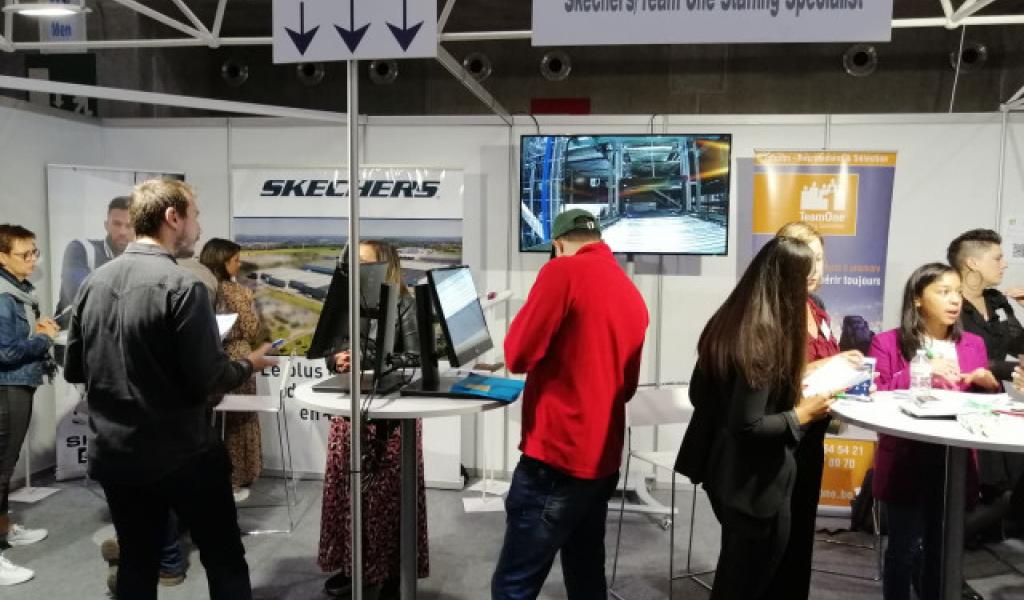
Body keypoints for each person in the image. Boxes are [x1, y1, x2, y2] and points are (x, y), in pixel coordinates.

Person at [64, 178, 276, 600]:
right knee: (223, 558)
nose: (199, 227)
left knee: (137, 562)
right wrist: (248, 364)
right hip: (184, 453)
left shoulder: (93, 283)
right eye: (195, 215)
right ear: (172, 217)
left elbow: (74, 368)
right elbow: (210, 378)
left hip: (117, 454)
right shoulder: (184, 286)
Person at [491, 209, 649, 599]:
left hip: (555, 458)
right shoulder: (630, 291)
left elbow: (517, 355)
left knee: (515, 582)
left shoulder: (561, 272)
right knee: (585, 572)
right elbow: (627, 387)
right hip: (602, 459)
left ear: (557, 244)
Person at [675, 236, 837, 600]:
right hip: (754, 480)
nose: (812, 283)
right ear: (788, 282)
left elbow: (700, 394)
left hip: (726, 470)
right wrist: (802, 414)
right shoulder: (763, 337)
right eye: (806, 275)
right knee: (748, 579)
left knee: (739, 572)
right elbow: (748, 424)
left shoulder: (731, 318)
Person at [869, 263, 1000, 600]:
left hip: (954, 462)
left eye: (957, 292)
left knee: (943, 551)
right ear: (917, 298)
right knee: (902, 549)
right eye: (943, 292)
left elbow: (983, 409)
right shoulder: (887, 342)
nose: (954, 300)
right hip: (905, 458)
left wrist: (989, 385)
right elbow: (874, 393)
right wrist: (919, 371)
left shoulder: (973, 344)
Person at [765, 221, 864, 599]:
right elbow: (766, 378)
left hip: (813, 433)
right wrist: (825, 366)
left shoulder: (816, 306)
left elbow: (821, 363)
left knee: (801, 531)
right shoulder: (770, 310)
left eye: (819, 259)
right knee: (774, 538)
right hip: (779, 434)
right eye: (806, 258)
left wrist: (847, 370)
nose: (814, 269)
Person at [320, 240, 423, 599]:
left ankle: (392, 574)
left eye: (364, 262)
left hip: (391, 418)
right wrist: (337, 360)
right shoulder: (347, 304)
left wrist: (375, 361)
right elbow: (329, 351)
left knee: (388, 500)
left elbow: (415, 357)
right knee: (348, 495)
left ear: (383, 265)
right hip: (350, 414)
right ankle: (353, 567)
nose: (357, 269)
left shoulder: (405, 303)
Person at [948, 228, 1024, 537]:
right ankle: (946, 545)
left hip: (995, 402)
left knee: (1009, 488)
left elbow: (1020, 345)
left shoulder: (998, 302)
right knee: (969, 488)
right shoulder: (949, 301)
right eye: (997, 258)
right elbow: (965, 361)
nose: (1004, 264)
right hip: (960, 403)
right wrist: (1015, 369)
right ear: (973, 263)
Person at [0, 224, 54, 586]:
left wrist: (37, 331)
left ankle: (4, 531)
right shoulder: (3, 297)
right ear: (2, 257)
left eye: (35, 252)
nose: (33, 259)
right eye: (25, 254)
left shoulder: (17, 292)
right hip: (7, 387)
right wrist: (42, 339)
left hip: (17, 384)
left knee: (5, 467)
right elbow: (5, 352)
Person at [200, 238, 264, 503]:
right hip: (238, 358)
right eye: (235, 260)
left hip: (209, 360)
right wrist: (250, 302)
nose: (239, 265)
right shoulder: (236, 292)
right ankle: (236, 477)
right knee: (240, 420)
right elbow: (251, 330)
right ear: (223, 262)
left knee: (215, 420)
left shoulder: (199, 287)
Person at [55, 196, 134, 327]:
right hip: (71, 335)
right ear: (106, 225)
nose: (122, 232)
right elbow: (83, 301)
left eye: (129, 226)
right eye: (117, 224)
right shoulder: (81, 249)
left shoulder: (140, 261)